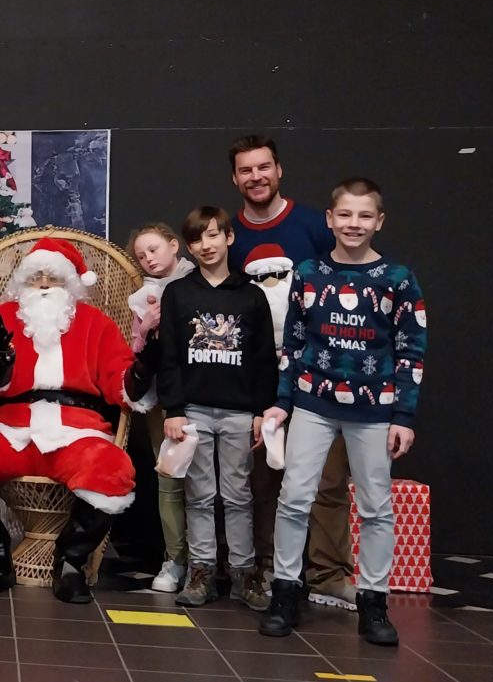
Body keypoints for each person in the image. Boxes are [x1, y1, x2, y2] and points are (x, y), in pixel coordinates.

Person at [0, 237, 156, 602]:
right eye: (36, 278)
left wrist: (141, 372)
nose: (43, 287)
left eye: (52, 279)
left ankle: (70, 562)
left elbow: (120, 380)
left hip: (76, 429)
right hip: (10, 424)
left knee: (112, 469)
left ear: (70, 284)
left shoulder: (95, 323)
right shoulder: (7, 315)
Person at [259, 178, 426, 646]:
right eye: (346, 214)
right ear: (330, 219)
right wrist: (283, 402)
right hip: (313, 404)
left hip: (374, 411)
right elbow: (293, 344)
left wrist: (403, 416)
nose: (354, 224)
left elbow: (411, 350)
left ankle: (373, 603)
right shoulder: (308, 273)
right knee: (294, 498)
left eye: (364, 215)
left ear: (379, 222)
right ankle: (285, 592)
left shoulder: (398, 279)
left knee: (376, 508)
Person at [227, 134, 354, 610]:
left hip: (319, 369)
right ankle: (267, 568)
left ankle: (329, 574)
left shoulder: (314, 225)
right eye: (246, 170)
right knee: (262, 480)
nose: (256, 177)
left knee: (327, 479)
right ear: (235, 178)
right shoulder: (229, 235)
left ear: (278, 170)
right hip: (257, 375)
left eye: (263, 167)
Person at [159, 207, 278, 610]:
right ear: (188, 247)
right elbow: (169, 355)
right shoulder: (178, 293)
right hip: (192, 410)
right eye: (196, 239)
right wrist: (174, 409)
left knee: (239, 494)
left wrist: (262, 410)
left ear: (229, 237)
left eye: (213, 235)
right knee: (198, 494)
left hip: (240, 411)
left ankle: (244, 573)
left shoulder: (252, 295)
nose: (205, 245)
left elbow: (263, 358)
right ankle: (202, 571)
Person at [126, 223, 195, 593]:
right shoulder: (144, 298)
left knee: (209, 483)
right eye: (141, 255)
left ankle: (211, 561)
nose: (148, 259)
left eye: (154, 249)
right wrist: (145, 329)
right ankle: (175, 558)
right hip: (162, 400)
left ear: (174, 245)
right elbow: (137, 352)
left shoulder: (198, 283)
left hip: (204, 394)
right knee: (168, 479)